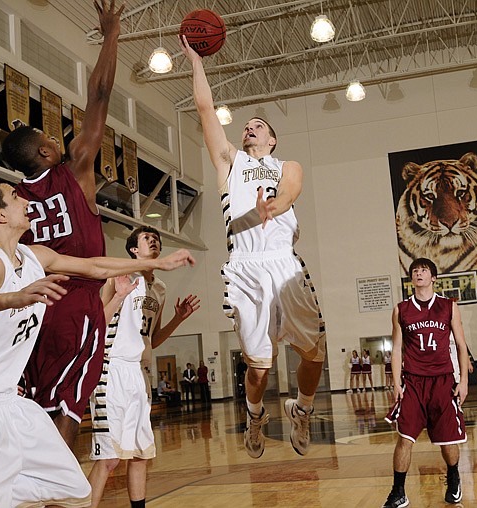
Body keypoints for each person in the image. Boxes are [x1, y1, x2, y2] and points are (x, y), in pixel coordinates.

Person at [0, 180, 195, 508]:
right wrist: (15, 297)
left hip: (10, 405)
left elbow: (94, 266)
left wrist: (152, 264)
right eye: (14, 196)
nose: (25, 200)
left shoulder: (33, 255)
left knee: (74, 491)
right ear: (0, 215)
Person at [181, 36, 326, 459]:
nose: (250, 127)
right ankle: (255, 413)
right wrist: (196, 63)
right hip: (245, 265)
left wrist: (273, 207)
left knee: (314, 353)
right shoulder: (230, 162)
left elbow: (290, 192)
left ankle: (303, 409)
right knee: (259, 369)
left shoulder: (287, 165)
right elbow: (206, 110)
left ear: (273, 140)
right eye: (246, 125)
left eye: (258, 125)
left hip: (284, 264)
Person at [1, 0, 124, 449]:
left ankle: (34, 487)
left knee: (39, 404)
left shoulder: (10, 200)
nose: (55, 139)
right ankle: (59, 489)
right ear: (45, 154)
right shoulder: (75, 168)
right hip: (76, 301)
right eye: (48, 139)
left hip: (33, 306)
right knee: (71, 404)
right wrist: (111, 34)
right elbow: (99, 96)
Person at [88, 226, 200, 508]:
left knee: (140, 454)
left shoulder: (159, 288)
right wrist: (118, 296)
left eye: (157, 239)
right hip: (111, 369)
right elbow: (96, 324)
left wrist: (178, 319)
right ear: (133, 250)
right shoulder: (119, 275)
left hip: (139, 373)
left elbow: (154, 338)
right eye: (146, 238)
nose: (154, 241)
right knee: (109, 457)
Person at [383, 258, 468, 508]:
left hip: (443, 381)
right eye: (415, 271)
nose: (419, 273)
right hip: (413, 382)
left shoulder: (448, 306)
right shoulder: (401, 309)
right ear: (411, 278)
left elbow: (461, 346)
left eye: (424, 270)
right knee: (404, 438)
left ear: (434, 278)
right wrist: (396, 383)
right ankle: (398, 491)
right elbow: (397, 348)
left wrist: (463, 381)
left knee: (448, 441)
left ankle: (453, 476)